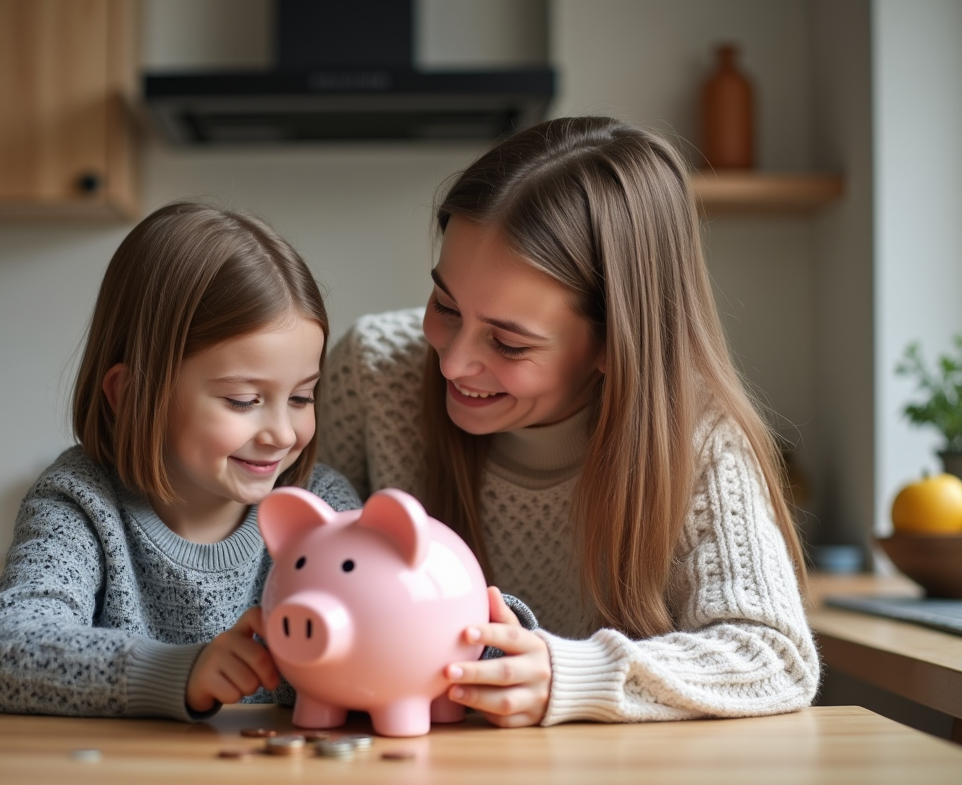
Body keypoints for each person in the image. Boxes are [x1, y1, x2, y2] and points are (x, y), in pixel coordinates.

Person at [319, 116, 819, 728]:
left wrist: (574, 674)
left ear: (614, 344)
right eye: (445, 306)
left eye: (508, 343)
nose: (451, 360)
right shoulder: (372, 373)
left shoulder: (698, 440)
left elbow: (774, 656)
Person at [0, 202, 361, 721]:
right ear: (132, 394)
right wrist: (180, 670)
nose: (283, 435)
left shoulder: (320, 506)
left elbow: (404, 618)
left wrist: (495, 643)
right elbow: (5, 652)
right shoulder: (80, 501)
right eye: (244, 400)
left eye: (301, 397)